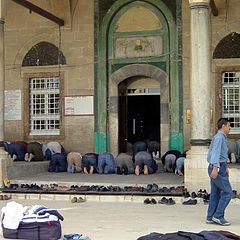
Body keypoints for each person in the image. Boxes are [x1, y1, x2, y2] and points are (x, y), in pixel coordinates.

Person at [206, 118, 232, 226]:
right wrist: (216, 168)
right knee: (228, 192)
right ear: (223, 126)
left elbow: (219, 154)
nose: (230, 128)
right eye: (229, 125)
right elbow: (215, 153)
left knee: (215, 193)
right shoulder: (219, 138)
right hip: (217, 167)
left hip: (219, 166)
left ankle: (210, 216)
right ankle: (218, 216)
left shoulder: (219, 137)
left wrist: (224, 166)